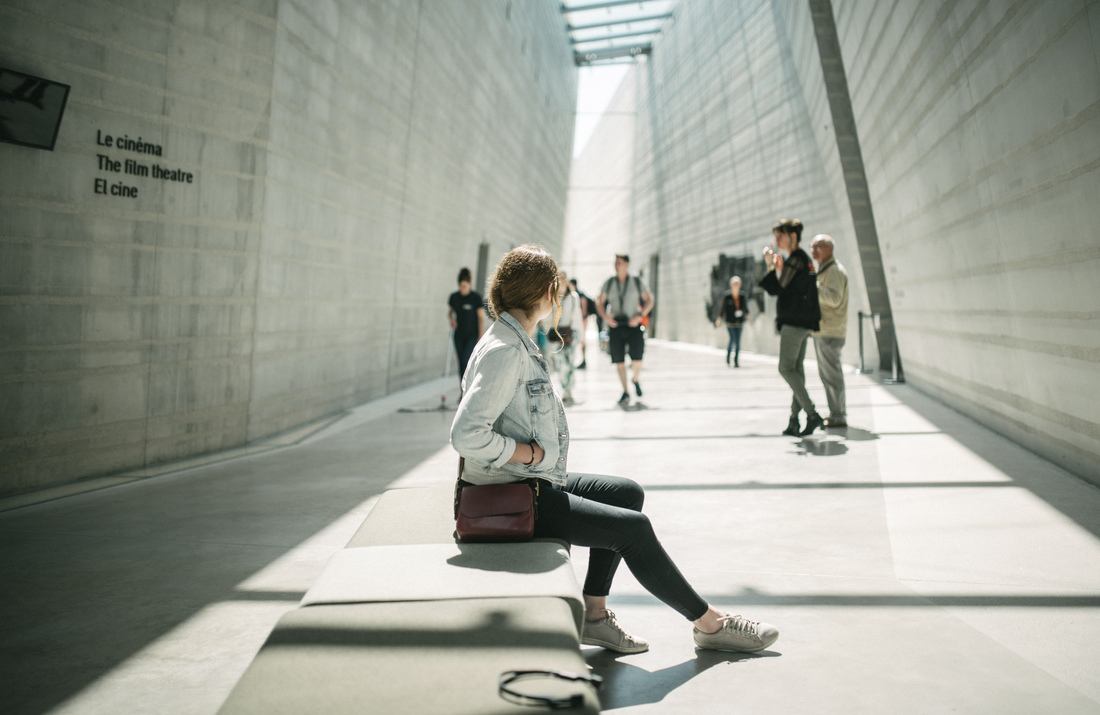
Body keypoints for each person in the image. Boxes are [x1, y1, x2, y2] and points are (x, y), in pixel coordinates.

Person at [451, 245, 780, 656]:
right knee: (633, 530)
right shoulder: (505, 350)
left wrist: (534, 461)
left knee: (626, 493)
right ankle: (710, 623)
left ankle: (594, 615)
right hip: (508, 497)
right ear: (547, 293)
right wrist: (528, 454)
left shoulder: (512, 338)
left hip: (525, 482)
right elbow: (466, 434)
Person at [761, 219, 824, 436]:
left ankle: (812, 414)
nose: (777, 240)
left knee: (785, 368)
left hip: (795, 323)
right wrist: (780, 267)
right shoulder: (801, 259)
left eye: (781, 235)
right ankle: (794, 420)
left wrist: (770, 265)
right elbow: (791, 287)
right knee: (796, 370)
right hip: (804, 322)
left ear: (793, 236)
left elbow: (777, 289)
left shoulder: (796, 259)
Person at [596, 254, 654, 405]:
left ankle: (635, 379)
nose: (616, 265)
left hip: (634, 324)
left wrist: (640, 316)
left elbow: (650, 300)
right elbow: (599, 302)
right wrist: (606, 317)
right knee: (619, 361)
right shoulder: (609, 283)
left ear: (627, 265)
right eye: (615, 263)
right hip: (616, 325)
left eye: (619, 263)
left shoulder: (636, 282)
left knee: (637, 358)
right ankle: (626, 391)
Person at [810, 234, 849, 428]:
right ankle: (836, 413)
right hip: (825, 330)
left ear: (829, 249)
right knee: (828, 375)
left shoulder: (833, 270)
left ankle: (838, 415)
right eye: (812, 246)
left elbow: (834, 299)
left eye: (818, 246)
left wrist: (814, 286)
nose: (813, 251)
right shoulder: (826, 269)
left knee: (832, 376)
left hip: (830, 331)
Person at [544, 270, 581, 404]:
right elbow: (548, 316)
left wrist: (578, 336)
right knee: (560, 363)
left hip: (570, 333)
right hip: (557, 334)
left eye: (563, 279)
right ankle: (564, 387)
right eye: (559, 279)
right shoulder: (553, 297)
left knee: (570, 363)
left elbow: (577, 316)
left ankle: (568, 390)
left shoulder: (573, 297)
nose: (562, 282)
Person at [447, 268, 486, 385]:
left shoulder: (476, 298)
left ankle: (468, 387)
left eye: (465, 286)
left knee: (466, 361)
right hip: (458, 336)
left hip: (472, 336)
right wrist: (452, 320)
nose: (463, 288)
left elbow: (481, 318)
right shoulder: (454, 297)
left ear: (469, 284)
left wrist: (481, 336)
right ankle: (463, 389)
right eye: (461, 286)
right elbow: (450, 312)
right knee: (461, 364)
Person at [714, 276, 749, 367]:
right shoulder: (727, 296)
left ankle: (735, 360)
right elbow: (722, 309)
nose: (736, 285)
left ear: (740, 285)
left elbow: (745, 308)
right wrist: (719, 319)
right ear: (731, 285)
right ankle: (730, 357)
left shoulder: (742, 296)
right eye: (734, 284)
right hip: (730, 322)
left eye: (737, 284)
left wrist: (748, 316)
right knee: (734, 340)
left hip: (739, 322)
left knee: (737, 341)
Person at [570, 278, 592, 370]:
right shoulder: (575, 295)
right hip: (579, 322)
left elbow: (584, 312)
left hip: (582, 322)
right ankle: (581, 360)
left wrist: (581, 322)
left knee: (582, 340)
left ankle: (583, 361)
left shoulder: (580, 295)